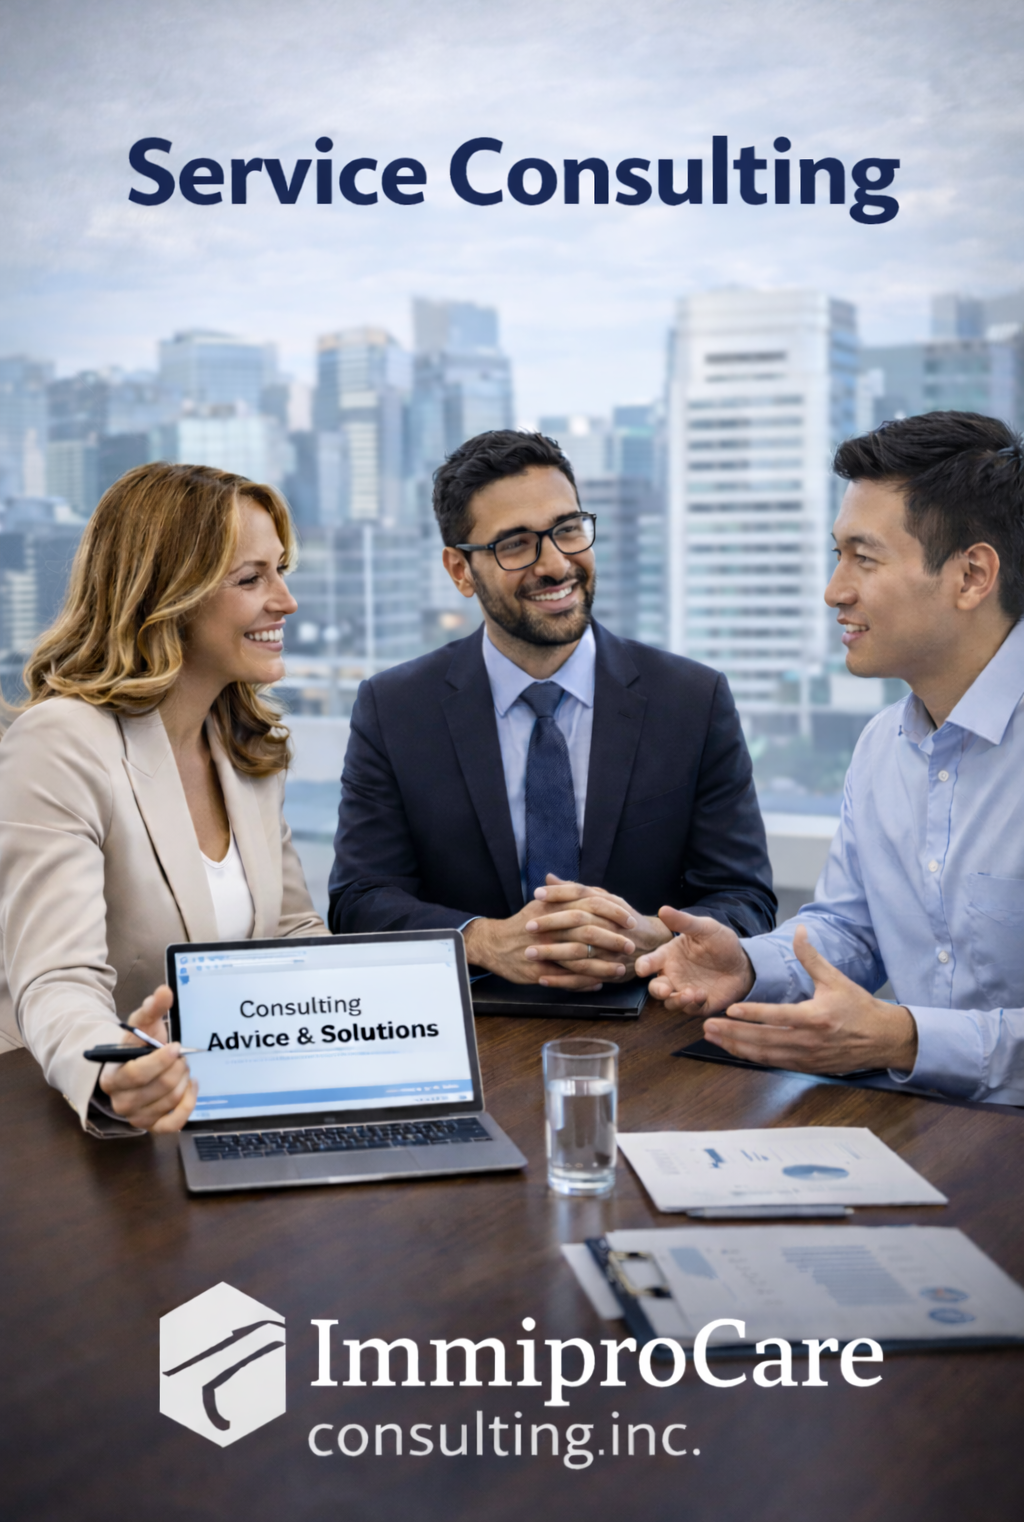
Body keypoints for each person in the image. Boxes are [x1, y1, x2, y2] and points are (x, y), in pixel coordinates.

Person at [637, 410, 1024, 1104]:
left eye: (863, 557)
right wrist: (746, 966)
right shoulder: (883, 746)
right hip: (917, 1123)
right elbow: (849, 927)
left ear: (971, 576)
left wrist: (905, 1038)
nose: (834, 590)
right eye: (835, 553)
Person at [329, 429, 775, 988]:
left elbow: (746, 898)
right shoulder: (394, 708)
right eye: (515, 544)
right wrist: (485, 941)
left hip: (653, 1024)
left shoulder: (692, 699)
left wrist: (654, 936)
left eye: (567, 530)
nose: (555, 564)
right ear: (460, 571)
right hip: (474, 1030)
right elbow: (359, 902)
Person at [0, 462, 327, 1137]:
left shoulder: (244, 744)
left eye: (281, 570)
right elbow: (56, 978)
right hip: (66, 1128)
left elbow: (293, 936)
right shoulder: (60, 743)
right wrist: (113, 1072)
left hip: (216, 1109)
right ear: (169, 595)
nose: (286, 601)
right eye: (251, 578)